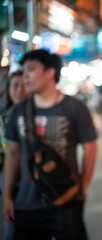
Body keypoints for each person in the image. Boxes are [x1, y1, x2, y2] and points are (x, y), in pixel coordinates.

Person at [2, 49, 97, 239]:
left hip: (66, 199)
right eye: (24, 70)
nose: (25, 76)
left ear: (49, 72)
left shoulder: (75, 108)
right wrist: (7, 197)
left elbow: (90, 149)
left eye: (30, 70)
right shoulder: (18, 112)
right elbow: (12, 154)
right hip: (26, 202)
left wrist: (82, 187)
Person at [0, 70, 28, 240]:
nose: (19, 90)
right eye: (14, 85)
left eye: (24, 85)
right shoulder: (3, 119)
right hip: (10, 185)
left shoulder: (39, 116)